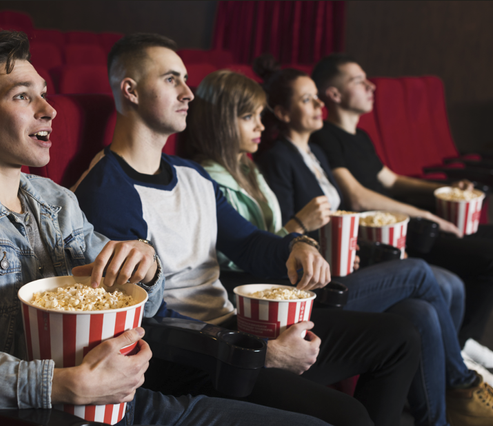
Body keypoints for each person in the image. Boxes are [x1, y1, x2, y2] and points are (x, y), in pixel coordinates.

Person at [0, 30, 331, 426]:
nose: (49, 110)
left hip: (118, 399)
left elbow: (138, 302)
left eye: (45, 92)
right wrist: (61, 384)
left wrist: (146, 266)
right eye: (22, 96)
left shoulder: (55, 199)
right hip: (37, 413)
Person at [75, 32, 422, 426]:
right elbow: (141, 322)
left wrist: (297, 245)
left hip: (235, 326)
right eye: (172, 79)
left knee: (399, 336)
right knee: (348, 416)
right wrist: (262, 352)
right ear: (131, 90)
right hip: (193, 357)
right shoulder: (106, 191)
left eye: (186, 79)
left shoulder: (192, 174)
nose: (189, 92)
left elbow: (248, 241)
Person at [189, 63, 491, 426]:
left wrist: (311, 241)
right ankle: (462, 382)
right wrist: (301, 229)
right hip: (278, 297)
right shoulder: (208, 179)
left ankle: (442, 417)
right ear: (221, 122)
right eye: (249, 117)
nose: (260, 125)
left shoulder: (249, 167)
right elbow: (242, 252)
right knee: (420, 273)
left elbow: (274, 236)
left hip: (306, 278)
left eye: (259, 115)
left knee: (419, 313)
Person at [309, 53, 493, 362]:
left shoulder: (361, 136)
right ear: (334, 94)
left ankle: (465, 346)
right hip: (385, 236)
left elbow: (392, 180)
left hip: (405, 221)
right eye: (358, 81)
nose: (371, 86)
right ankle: (462, 348)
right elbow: (357, 197)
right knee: (487, 257)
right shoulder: (325, 137)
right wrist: (426, 214)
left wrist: (444, 189)